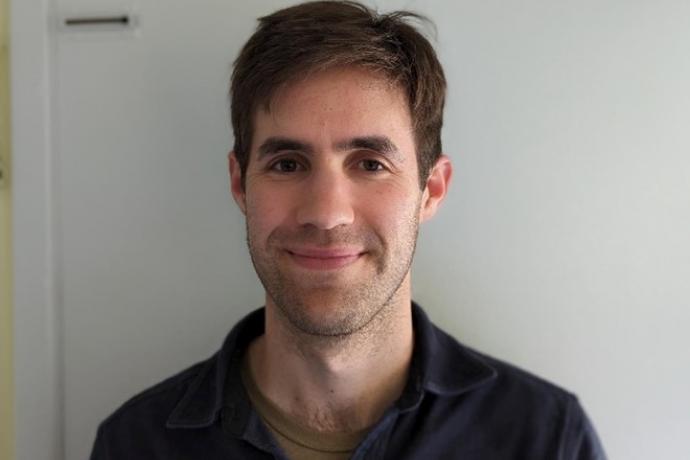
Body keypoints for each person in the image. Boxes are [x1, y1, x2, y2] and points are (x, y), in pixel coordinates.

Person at [90, 1, 607, 459]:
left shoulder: (544, 439)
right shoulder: (136, 443)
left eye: (370, 164)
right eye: (288, 164)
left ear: (432, 190)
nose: (327, 213)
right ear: (240, 185)